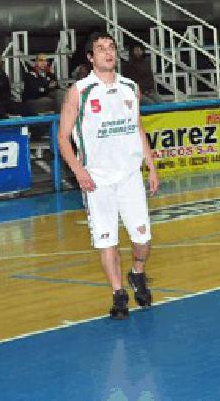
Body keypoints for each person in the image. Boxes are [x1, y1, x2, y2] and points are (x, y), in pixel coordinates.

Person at [58, 31, 160, 320]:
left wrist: (151, 166)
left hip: (129, 176)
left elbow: (138, 128)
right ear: (90, 57)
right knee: (107, 241)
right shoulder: (79, 91)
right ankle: (118, 294)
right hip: (97, 180)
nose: (108, 52)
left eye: (111, 47)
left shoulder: (131, 87)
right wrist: (79, 172)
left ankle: (137, 272)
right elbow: (63, 137)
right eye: (101, 49)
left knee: (142, 238)